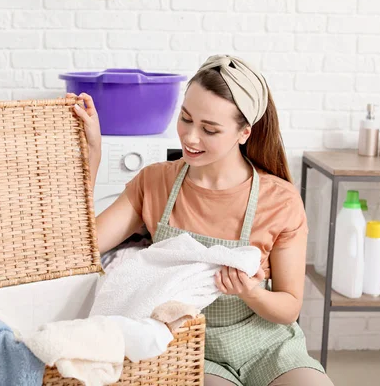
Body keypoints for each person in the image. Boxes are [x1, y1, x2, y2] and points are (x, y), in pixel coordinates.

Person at [67, 54, 334, 386]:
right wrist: (92, 151)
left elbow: (289, 307)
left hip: (268, 343)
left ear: (244, 133)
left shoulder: (279, 199)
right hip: (189, 345)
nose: (190, 138)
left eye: (209, 129)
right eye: (185, 118)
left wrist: (251, 293)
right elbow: (81, 246)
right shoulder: (154, 183)